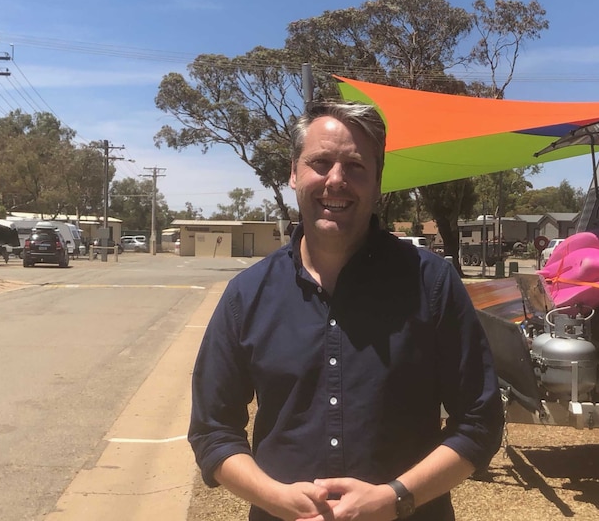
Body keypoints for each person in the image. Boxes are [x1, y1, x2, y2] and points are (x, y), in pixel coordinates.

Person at [188, 101, 504, 521]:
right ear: (294, 172)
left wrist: (395, 499)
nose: (335, 180)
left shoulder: (433, 284)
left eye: (355, 166)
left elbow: (479, 424)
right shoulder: (247, 295)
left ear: (377, 184)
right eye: (320, 162)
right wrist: (274, 498)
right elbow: (213, 432)